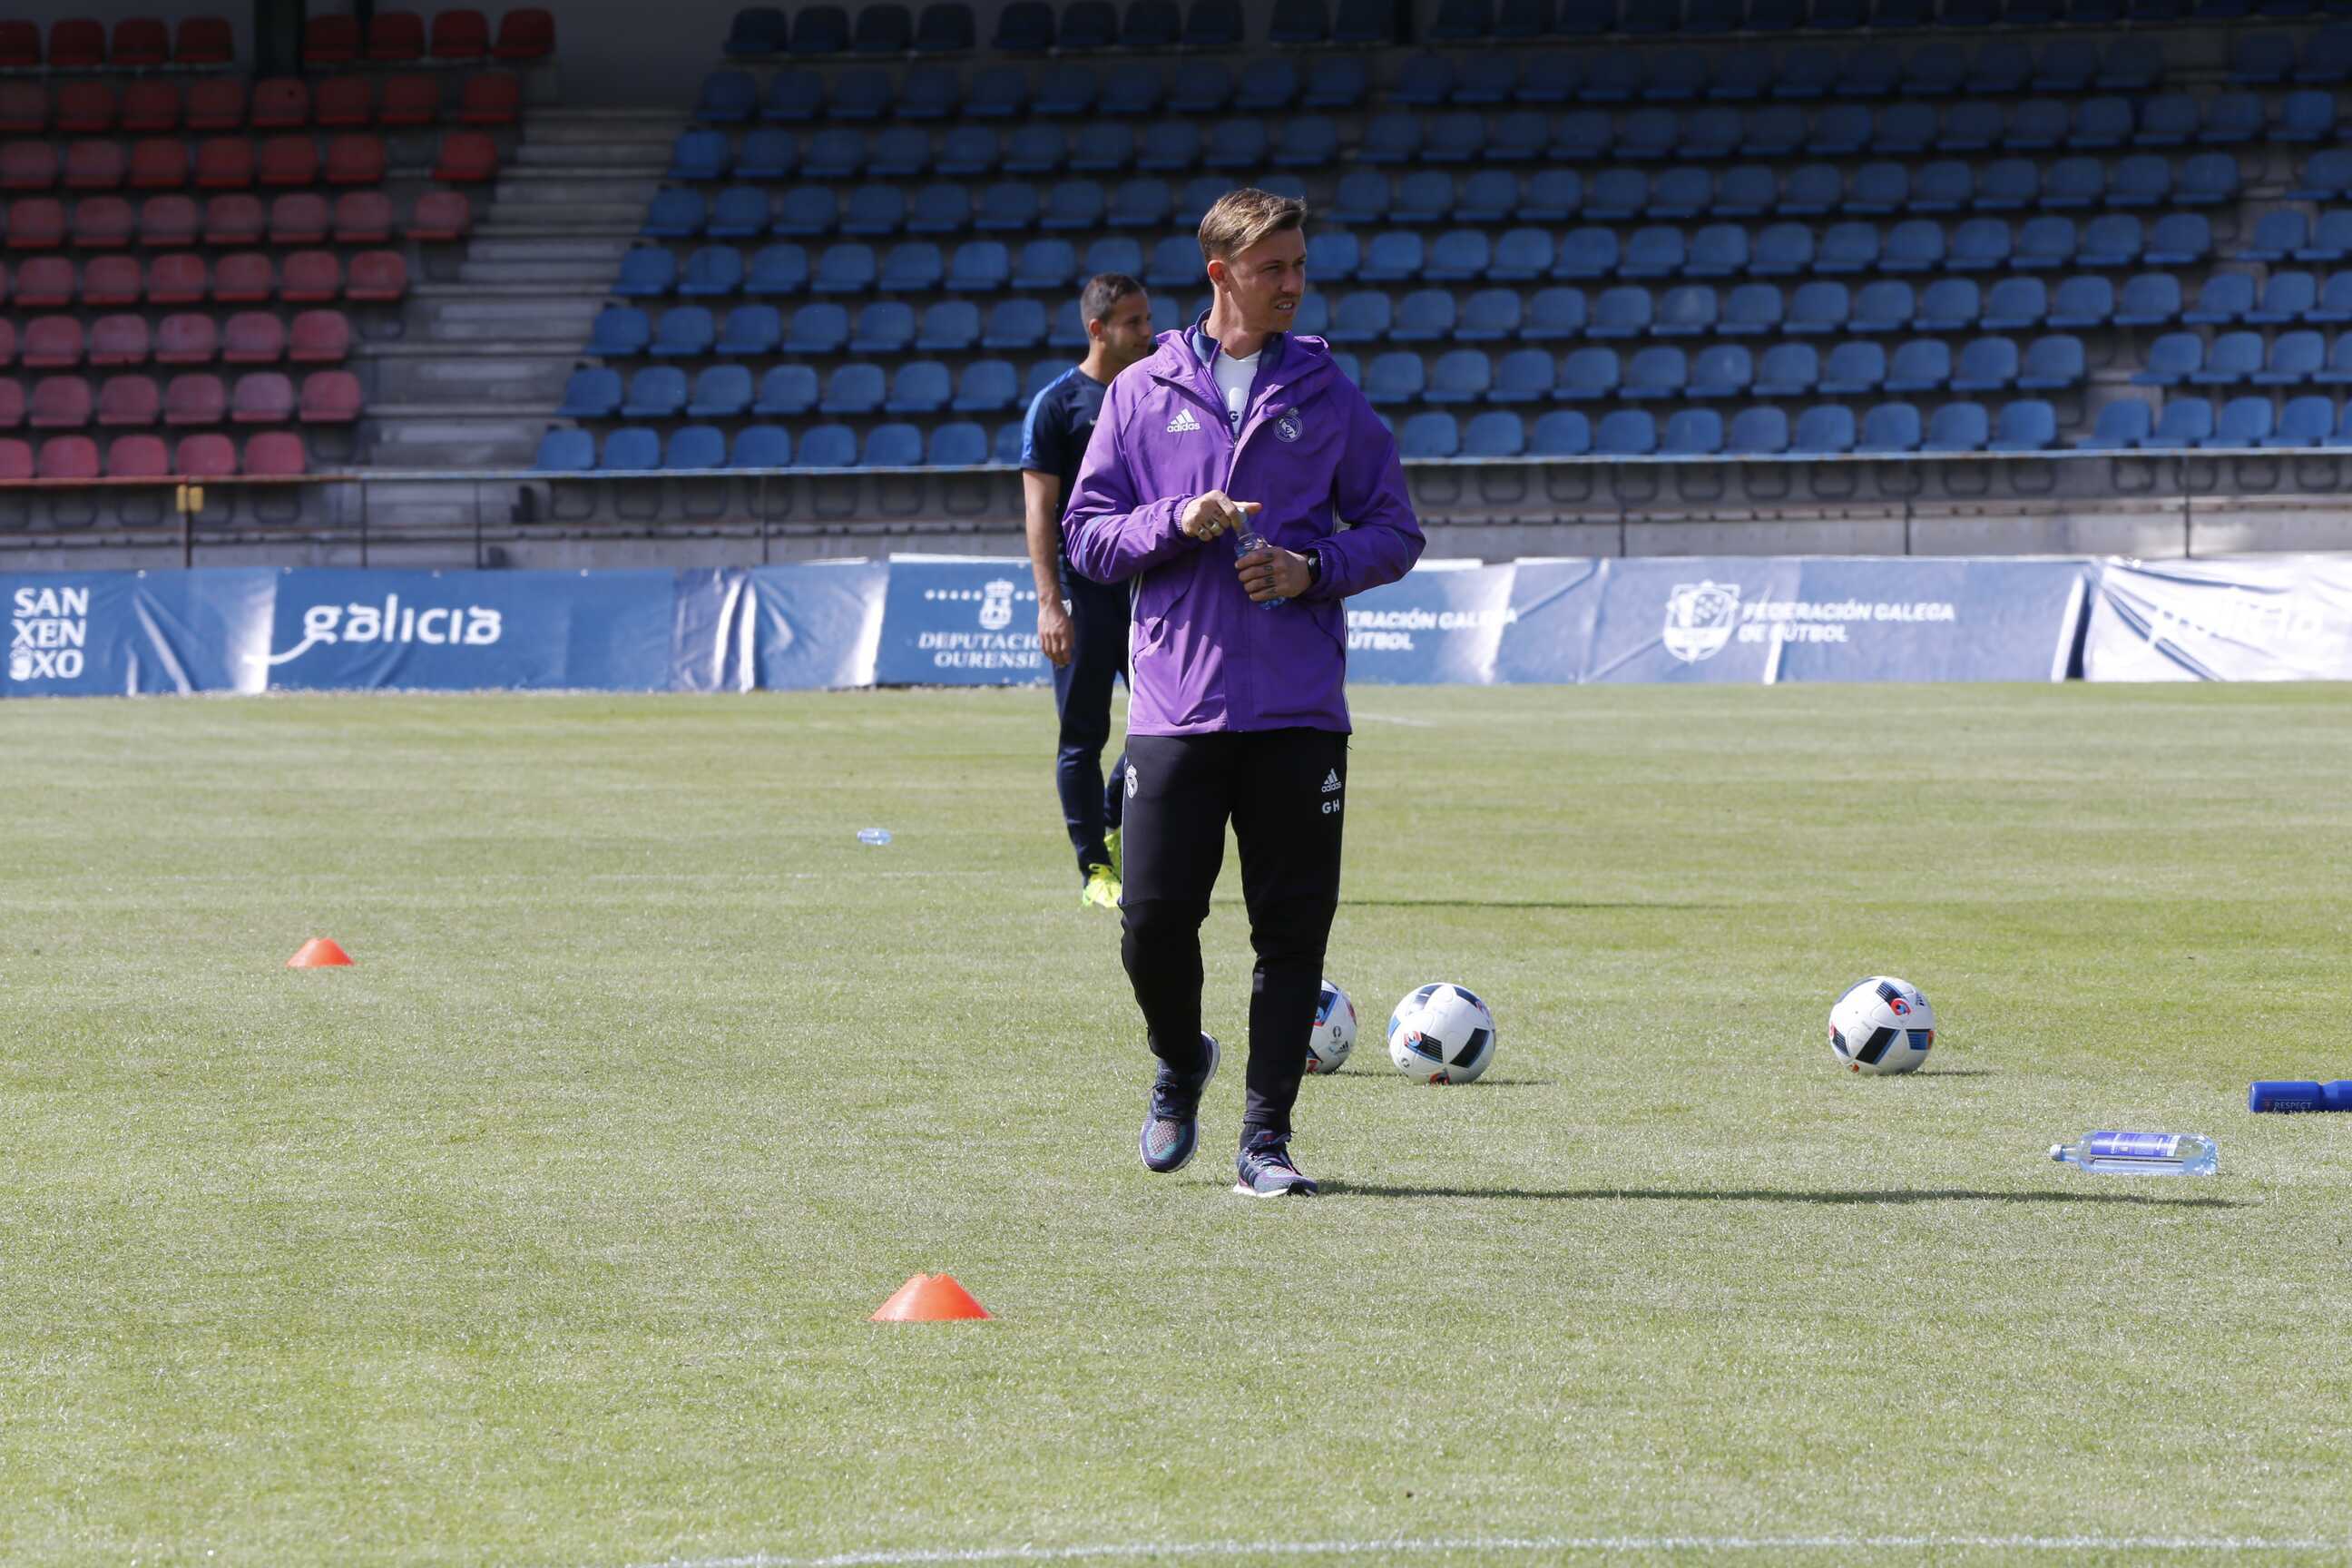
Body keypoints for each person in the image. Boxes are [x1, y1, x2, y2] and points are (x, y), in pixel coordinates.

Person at [1062, 189, 1425, 1198]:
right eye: (1274, 268)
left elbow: (1396, 531)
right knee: (1152, 922)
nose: (1293, 284)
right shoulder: (1141, 392)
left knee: (1291, 935)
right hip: (1176, 708)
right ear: (1221, 274)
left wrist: (1313, 568)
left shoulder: (1327, 390)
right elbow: (1087, 536)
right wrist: (1175, 520)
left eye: (1299, 265)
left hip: (1299, 713)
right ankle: (1181, 1061)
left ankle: (1266, 1140)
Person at [1021, 273, 1156, 911]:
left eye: (1148, 319)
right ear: (1098, 329)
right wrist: (1051, 603)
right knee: (1082, 736)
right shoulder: (1058, 405)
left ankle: (1111, 814)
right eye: (1134, 322)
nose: (1148, 332)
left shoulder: (1155, 391)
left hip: (1148, 587)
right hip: (1083, 592)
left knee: (1165, 727)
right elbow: (1039, 511)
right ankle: (1094, 868)